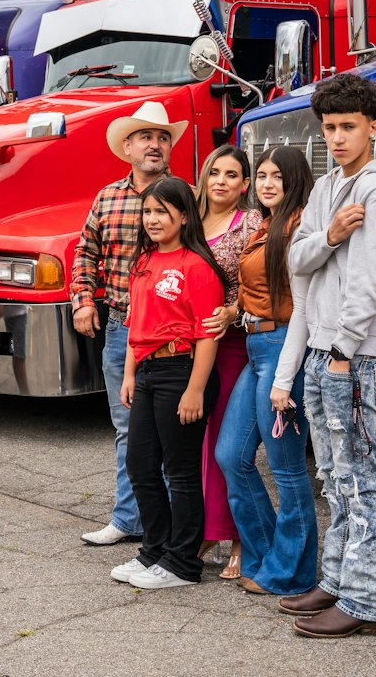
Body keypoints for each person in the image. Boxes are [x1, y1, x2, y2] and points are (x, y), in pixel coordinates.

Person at [274, 73, 376, 639]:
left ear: (374, 128)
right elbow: (296, 260)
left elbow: (370, 281)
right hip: (320, 347)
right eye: (329, 127)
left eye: (348, 127)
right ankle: (334, 582)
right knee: (332, 473)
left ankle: (365, 601)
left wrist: (343, 350)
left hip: (352, 354)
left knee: (362, 475)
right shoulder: (329, 188)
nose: (336, 137)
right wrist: (330, 233)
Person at [72, 101, 186, 546]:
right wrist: (83, 302)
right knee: (127, 428)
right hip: (120, 328)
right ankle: (127, 519)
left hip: (171, 334)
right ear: (127, 146)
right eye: (146, 137)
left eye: (162, 137)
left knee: (172, 430)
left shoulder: (184, 194)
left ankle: (174, 527)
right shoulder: (108, 197)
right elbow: (85, 252)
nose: (155, 144)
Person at [110, 176, 226, 590]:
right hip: (147, 373)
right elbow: (134, 323)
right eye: (147, 212)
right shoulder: (144, 262)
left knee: (180, 472)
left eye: (162, 211)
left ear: (183, 214)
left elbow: (207, 333)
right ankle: (154, 552)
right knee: (140, 465)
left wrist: (196, 388)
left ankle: (182, 563)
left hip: (182, 373)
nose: (153, 219)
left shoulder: (197, 265)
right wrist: (128, 373)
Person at [216, 146, 318, 598]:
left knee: (287, 467)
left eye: (277, 176)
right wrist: (233, 307)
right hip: (256, 342)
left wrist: (286, 373)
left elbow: (304, 306)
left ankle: (292, 571)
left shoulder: (298, 228)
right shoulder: (265, 226)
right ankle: (262, 557)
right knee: (230, 456)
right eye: (261, 176)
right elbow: (257, 288)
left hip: (283, 348)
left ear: (295, 180)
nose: (267, 183)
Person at [194, 145, 260, 579]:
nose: (221, 180)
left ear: (245, 184)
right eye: (214, 172)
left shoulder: (250, 223)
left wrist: (234, 310)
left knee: (228, 444)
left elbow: (262, 278)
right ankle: (204, 529)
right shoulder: (191, 218)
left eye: (231, 174)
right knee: (195, 442)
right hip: (191, 343)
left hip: (232, 342)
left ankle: (238, 537)